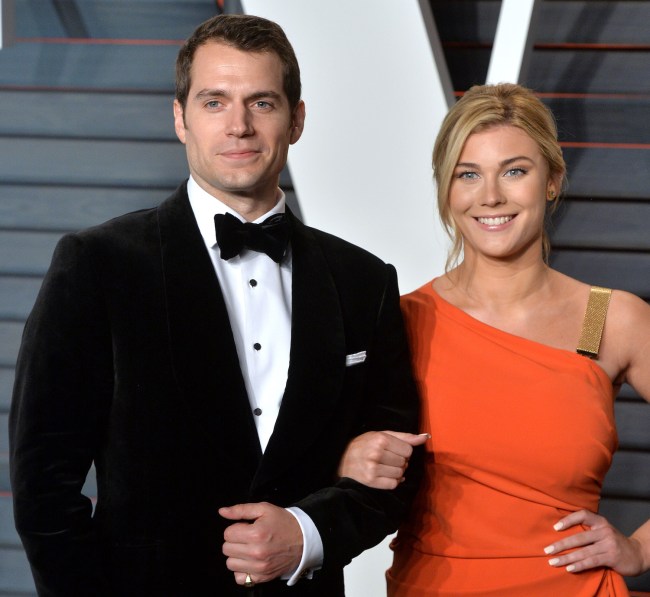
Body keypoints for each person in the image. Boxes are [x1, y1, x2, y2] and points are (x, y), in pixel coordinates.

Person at [9, 14, 423, 596]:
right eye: (214, 102)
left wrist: (308, 532)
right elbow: (42, 488)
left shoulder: (363, 280)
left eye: (262, 103)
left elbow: (398, 467)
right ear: (180, 118)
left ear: (297, 120)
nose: (238, 126)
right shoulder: (97, 265)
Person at [338, 83, 650, 596]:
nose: (490, 197)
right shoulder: (401, 320)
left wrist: (639, 548)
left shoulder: (606, 319)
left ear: (552, 181)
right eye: (468, 174)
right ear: (446, 190)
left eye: (514, 171)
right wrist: (345, 459)